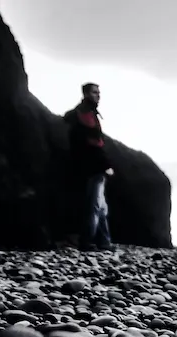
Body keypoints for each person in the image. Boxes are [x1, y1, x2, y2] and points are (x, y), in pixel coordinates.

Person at [63, 83, 114, 251]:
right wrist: (106, 165)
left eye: (99, 92)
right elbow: (94, 142)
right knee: (94, 206)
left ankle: (105, 241)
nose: (98, 95)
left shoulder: (84, 112)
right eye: (94, 92)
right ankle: (87, 242)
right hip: (93, 166)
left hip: (87, 165)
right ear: (86, 93)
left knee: (101, 206)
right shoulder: (86, 113)